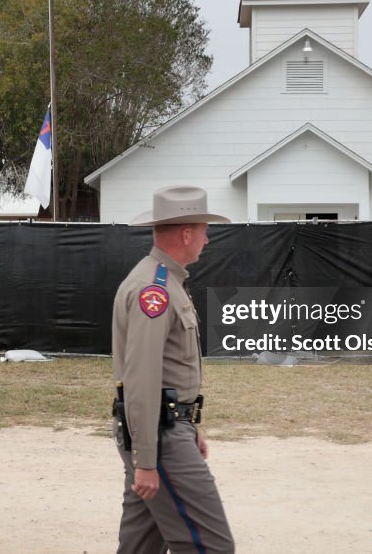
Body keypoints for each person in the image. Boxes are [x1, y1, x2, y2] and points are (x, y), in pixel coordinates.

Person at [112, 185, 235, 554]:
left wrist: (189, 425)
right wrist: (147, 460)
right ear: (186, 234)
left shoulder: (164, 281)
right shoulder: (156, 289)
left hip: (163, 430)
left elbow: (167, 372)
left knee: (140, 547)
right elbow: (142, 379)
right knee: (211, 547)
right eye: (203, 230)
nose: (207, 239)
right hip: (159, 440)